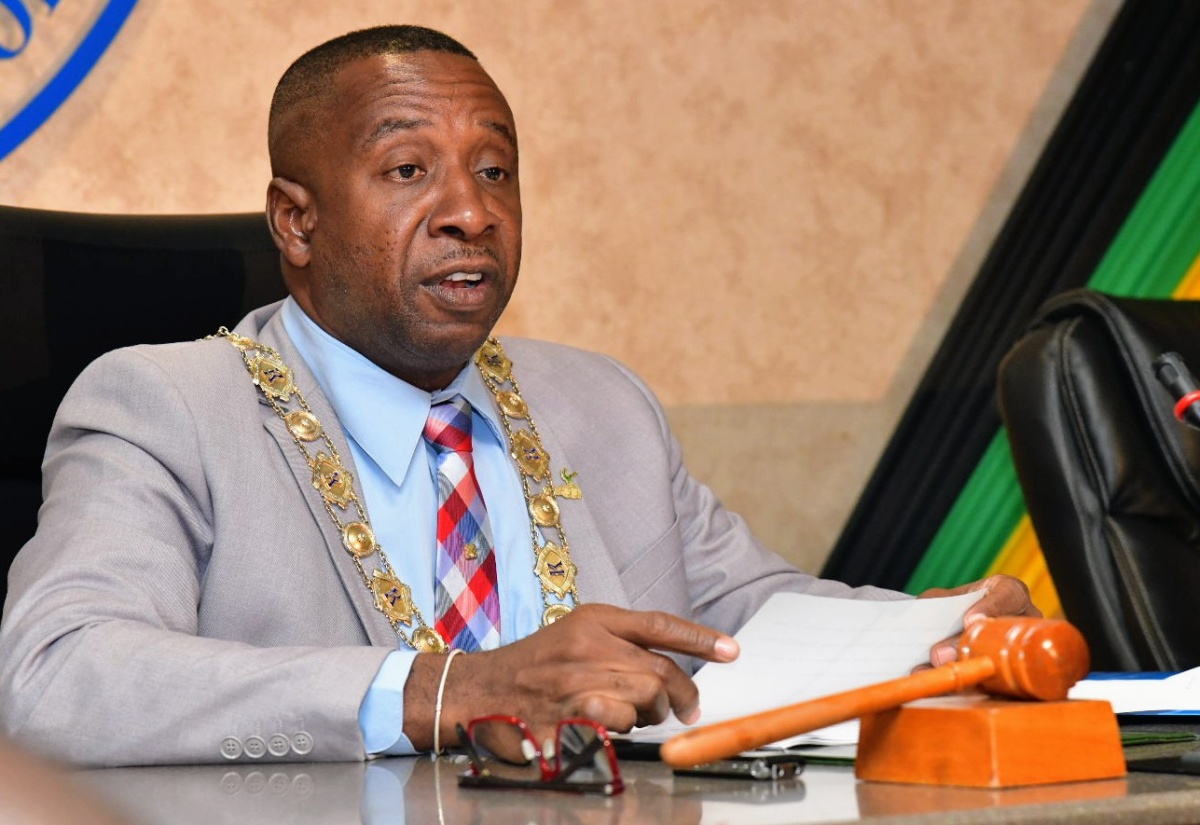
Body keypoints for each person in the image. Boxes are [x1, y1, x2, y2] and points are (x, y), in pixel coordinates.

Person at [0, 25, 1038, 768]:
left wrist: (931, 638)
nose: (468, 212)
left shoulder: (598, 402)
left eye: (495, 172)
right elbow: (57, 680)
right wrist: (452, 688)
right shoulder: (165, 407)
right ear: (297, 223)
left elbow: (736, 619)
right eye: (409, 169)